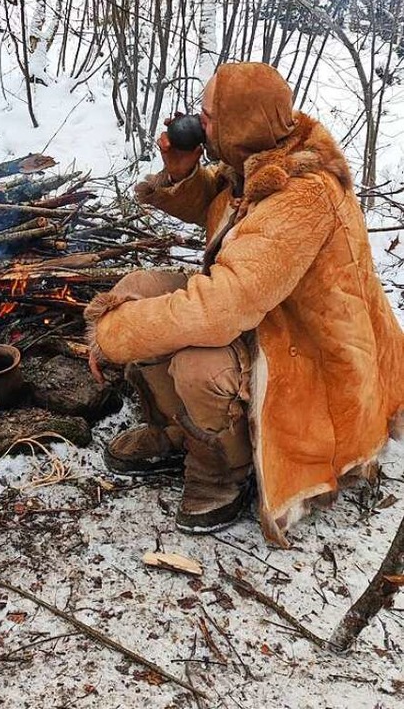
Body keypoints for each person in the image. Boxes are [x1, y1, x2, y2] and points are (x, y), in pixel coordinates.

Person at [85, 62, 404, 547]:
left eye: (209, 116)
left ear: (240, 123)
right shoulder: (260, 161)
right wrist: (181, 172)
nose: (199, 121)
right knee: (138, 288)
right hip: (264, 314)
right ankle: (177, 434)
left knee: (198, 366)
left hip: (312, 358)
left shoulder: (304, 194)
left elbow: (221, 309)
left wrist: (114, 337)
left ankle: (222, 474)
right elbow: (223, 206)